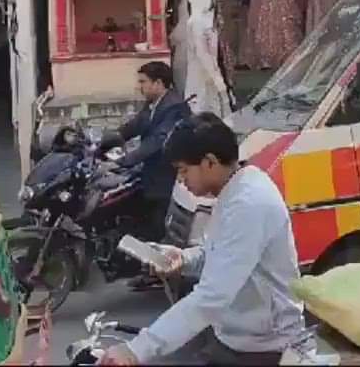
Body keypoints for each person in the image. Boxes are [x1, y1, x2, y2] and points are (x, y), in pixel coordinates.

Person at [98, 113, 306, 366]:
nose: (181, 180)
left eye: (183, 170)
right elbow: (215, 254)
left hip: (265, 347)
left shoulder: (249, 203)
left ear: (210, 162)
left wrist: (136, 350)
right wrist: (183, 258)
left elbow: (212, 295)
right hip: (233, 336)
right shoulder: (231, 192)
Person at [116, 62, 190, 248]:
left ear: (158, 83)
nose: (139, 87)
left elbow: (157, 141)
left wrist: (125, 160)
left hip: (166, 177)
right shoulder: (153, 104)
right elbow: (135, 125)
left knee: (158, 226)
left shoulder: (174, 107)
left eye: (143, 82)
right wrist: (109, 139)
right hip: (152, 172)